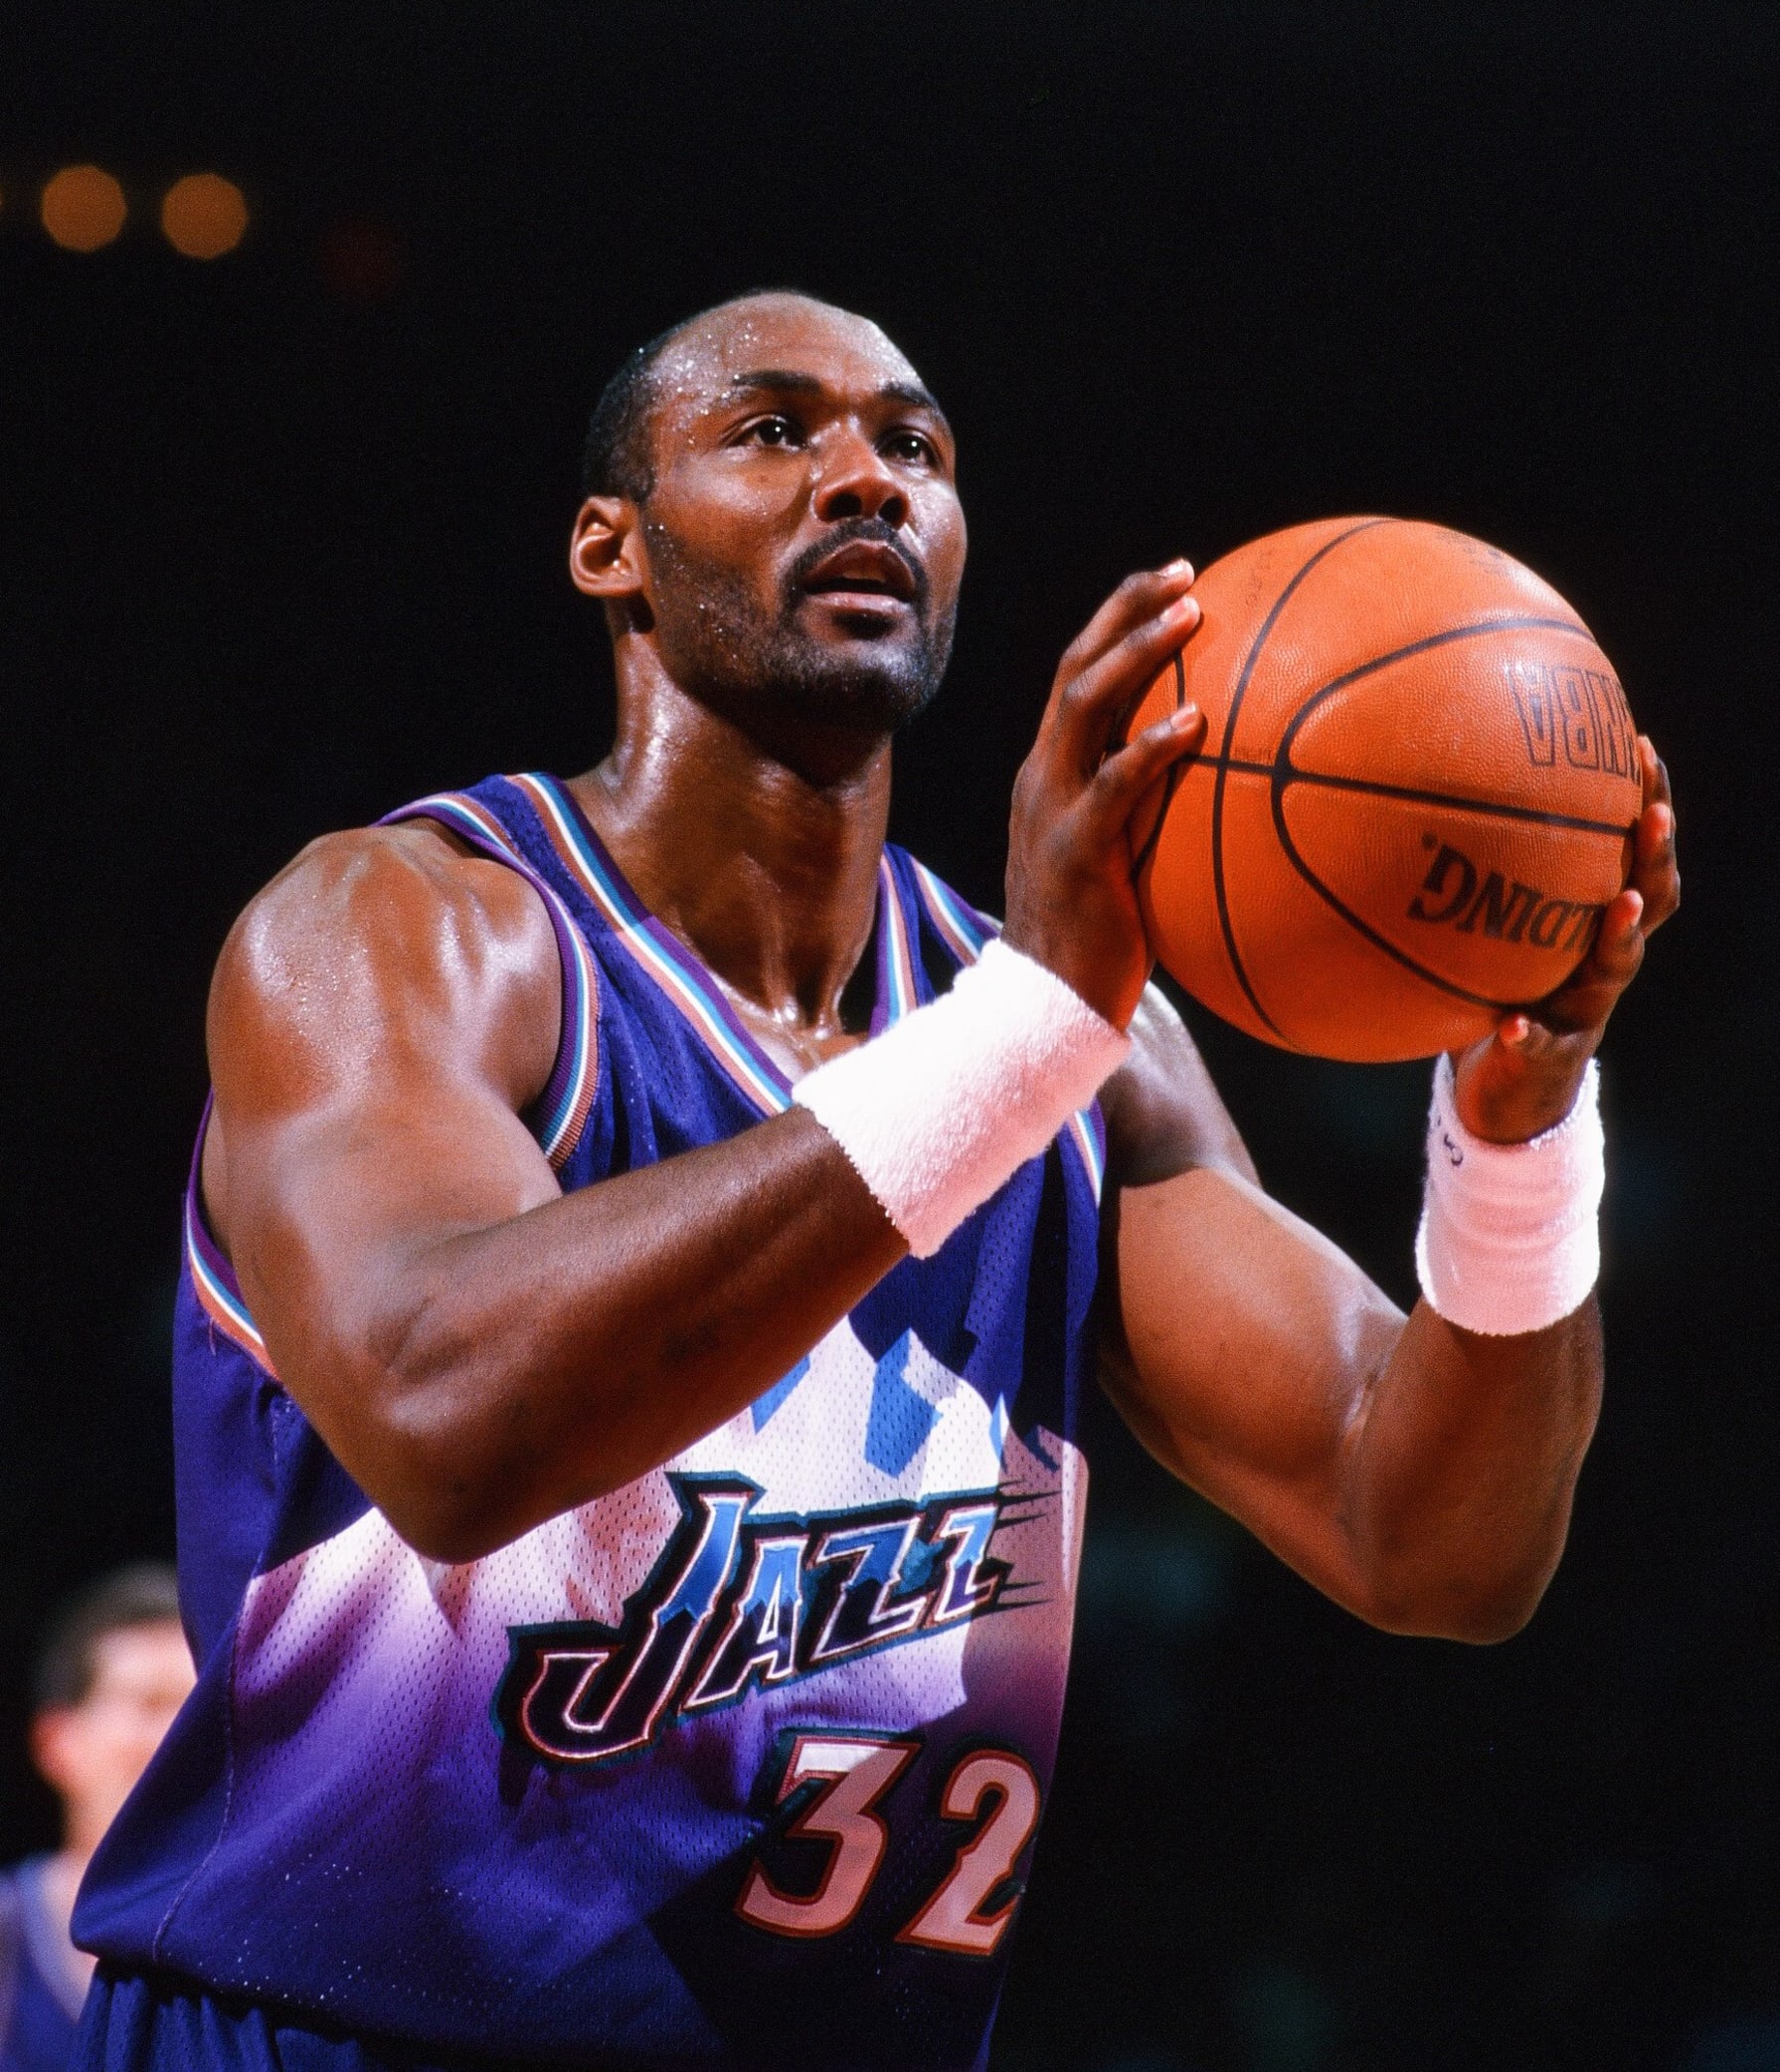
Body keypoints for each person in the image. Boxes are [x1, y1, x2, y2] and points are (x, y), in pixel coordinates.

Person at [73, 292, 1679, 2072]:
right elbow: (447, 1418)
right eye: (776, 433)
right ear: (614, 546)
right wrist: (1025, 1030)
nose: (865, 480)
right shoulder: (410, 931)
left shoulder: (1077, 1050)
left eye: (914, 446)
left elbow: (1435, 1538)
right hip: (343, 2038)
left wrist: (1519, 1140)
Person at [0, 1571, 193, 2072]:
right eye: (149, 1703)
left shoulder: (246, 1950)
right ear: (56, 1743)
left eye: (194, 1709)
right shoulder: (9, 1938)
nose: (179, 1737)